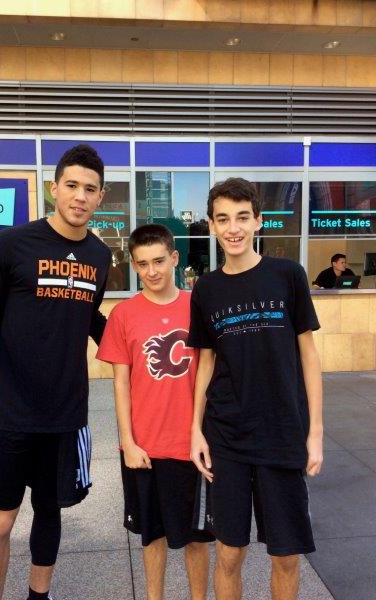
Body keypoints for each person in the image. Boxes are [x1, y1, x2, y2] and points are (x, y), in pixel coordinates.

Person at [0, 144, 111, 600]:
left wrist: (137, 344)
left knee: (50, 510)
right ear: (54, 188)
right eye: (72, 186)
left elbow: (94, 320)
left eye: (90, 189)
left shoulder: (100, 257)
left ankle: (40, 595)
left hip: (65, 409)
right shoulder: (13, 244)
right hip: (8, 408)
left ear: (101, 197)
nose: (80, 196)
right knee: (0, 519)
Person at [189, 178, 323, 600]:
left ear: (258, 221)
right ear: (211, 225)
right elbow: (205, 362)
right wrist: (195, 429)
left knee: (286, 555)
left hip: (282, 433)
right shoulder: (206, 289)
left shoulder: (288, 275)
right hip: (226, 436)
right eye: (224, 219)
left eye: (242, 217)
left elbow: (309, 355)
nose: (234, 228)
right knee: (230, 552)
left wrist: (314, 432)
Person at [96, 224, 214, 600]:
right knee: (153, 536)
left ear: (175, 258)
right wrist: (127, 442)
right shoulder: (123, 314)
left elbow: (211, 375)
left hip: (192, 446)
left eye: (160, 261)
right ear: (133, 265)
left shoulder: (199, 307)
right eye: (143, 263)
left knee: (197, 537)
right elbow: (120, 383)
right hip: (144, 448)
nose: (152, 271)